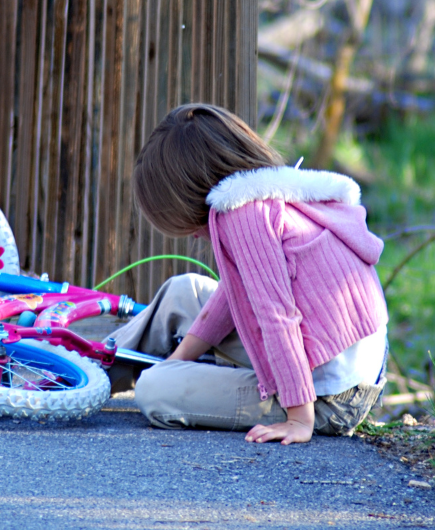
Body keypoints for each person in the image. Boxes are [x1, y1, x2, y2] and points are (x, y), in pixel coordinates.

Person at [108, 103, 389, 445]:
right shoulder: (266, 192)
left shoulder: (244, 216)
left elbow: (278, 317)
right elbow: (234, 295)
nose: (194, 235)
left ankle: (87, 379)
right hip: (346, 361)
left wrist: (300, 418)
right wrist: (176, 362)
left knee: (154, 390)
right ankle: (95, 373)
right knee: (181, 291)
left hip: (332, 397)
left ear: (190, 194)